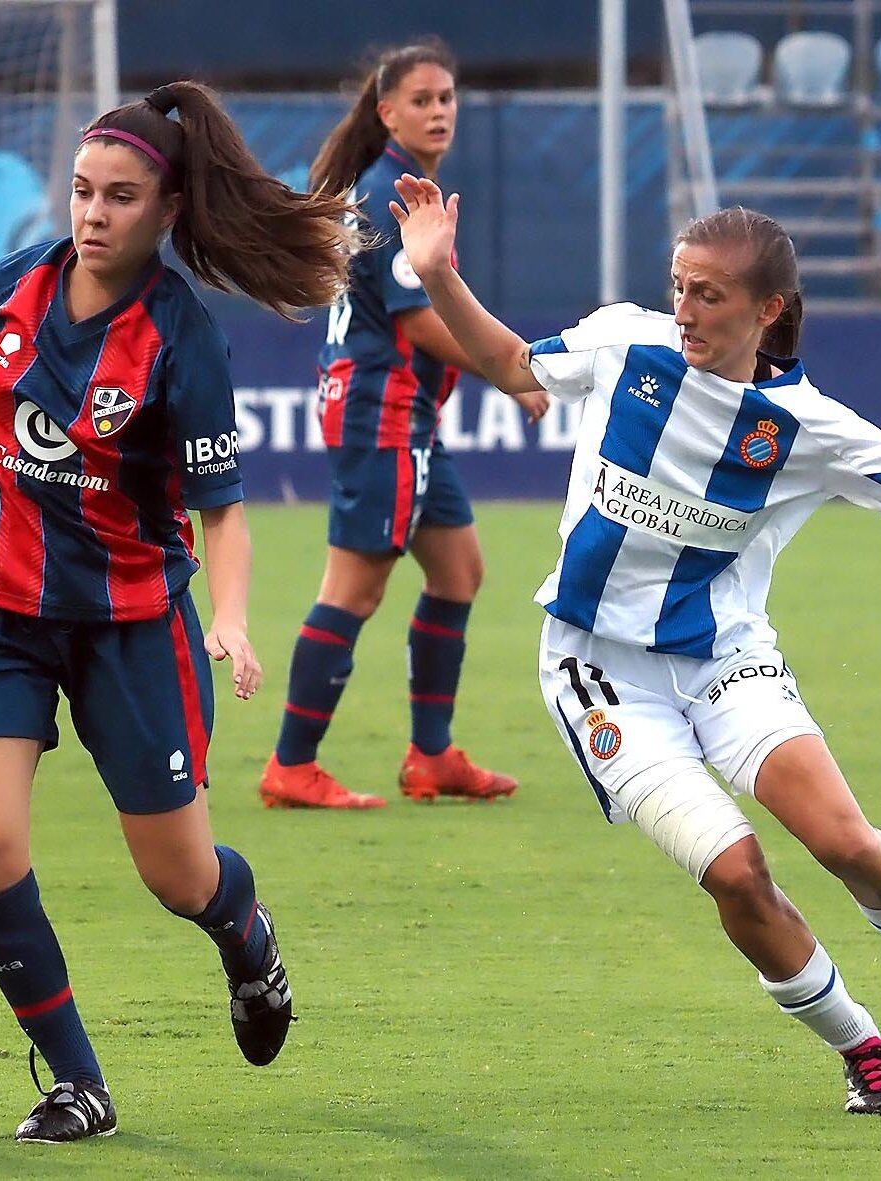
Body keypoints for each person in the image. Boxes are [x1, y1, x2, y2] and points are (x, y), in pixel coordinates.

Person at [391, 180, 881, 1115]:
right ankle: (860, 1046)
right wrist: (436, 271)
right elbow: (510, 364)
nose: (684, 309)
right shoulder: (625, 344)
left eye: (708, 294)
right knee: (737, 872)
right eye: (678, 286)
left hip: (725, 660)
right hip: (596, 671)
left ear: (767, 309)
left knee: (847, 844)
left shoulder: (807, 426)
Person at [0, 81, 357, 1143]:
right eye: (83, 191)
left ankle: (245, 933)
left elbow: (222, 512)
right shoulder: (9, 286)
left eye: (120, 196)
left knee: (179, 876)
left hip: (132, 624)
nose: (92, 213)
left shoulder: (182, 339)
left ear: (167, 208)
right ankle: (77, 1083)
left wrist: (230, 616)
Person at [259, 40, 549, 810]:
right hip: (378, 409)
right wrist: (508, 369)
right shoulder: (390, 192)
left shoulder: (395, 185)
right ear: (387, 113)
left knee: (458, 571)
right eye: (422, 100)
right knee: (353, 588)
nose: (439, 111)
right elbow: (416, 321)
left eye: (446, 98)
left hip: (401, 412)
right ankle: (291, 765)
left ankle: (431, 755)